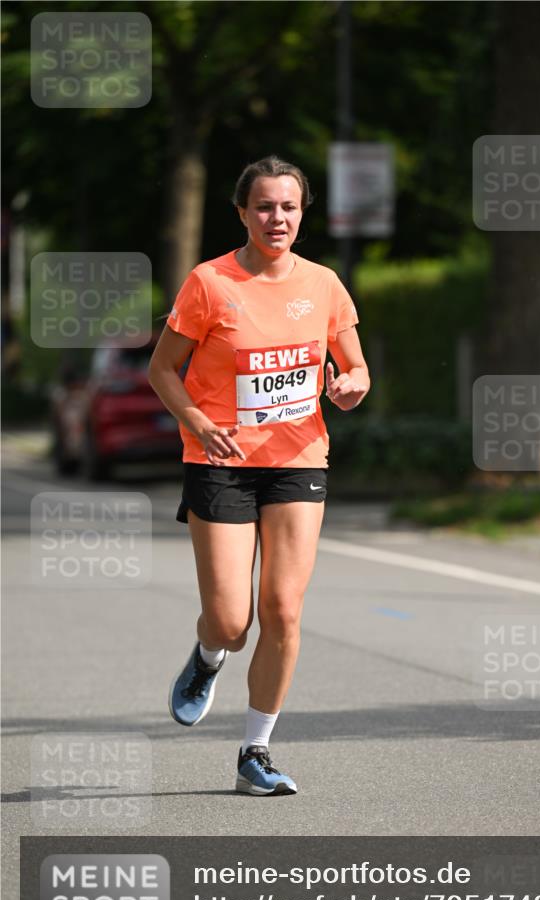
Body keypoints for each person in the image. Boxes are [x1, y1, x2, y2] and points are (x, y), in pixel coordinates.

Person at [148, 155, 370, 796]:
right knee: (230, 620)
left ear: (303, 213)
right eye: (266, 207)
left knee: (283, 610)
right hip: (219, 460)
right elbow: (164, 369)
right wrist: (195, 419)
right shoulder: (210, 283)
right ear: (242, 212)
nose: (278, 218)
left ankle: (256, 751)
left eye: (289, 207)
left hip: (298, 458)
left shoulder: (325, 284)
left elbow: (355, 370)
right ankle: (208, 656)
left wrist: (350, 386)